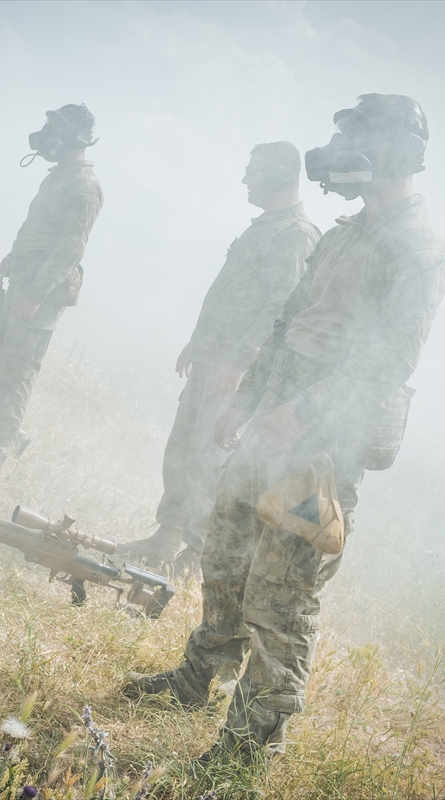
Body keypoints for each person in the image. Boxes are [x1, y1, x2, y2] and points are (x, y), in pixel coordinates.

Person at [123, 94, 445, 766]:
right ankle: (198, 678)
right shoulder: (344, 233)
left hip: (323, 452)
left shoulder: (419, 249)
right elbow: (287, 326)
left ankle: (245, 755)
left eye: (359, 138)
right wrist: (248, 401)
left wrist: (302, 412)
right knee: (225, 557)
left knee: (282, 599)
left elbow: (388, 364)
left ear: (395, 150)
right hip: (269, 429)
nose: (341, 153)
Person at [121, 143, 320, 573]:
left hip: (233, 372)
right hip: (213, 360)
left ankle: (195, 557)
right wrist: (199, 341)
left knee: (207, 462)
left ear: (281, 175)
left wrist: (239, 360)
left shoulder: (295, 235)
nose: (245, 179)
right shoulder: (266, 227)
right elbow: (233, 294)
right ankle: (165, 538)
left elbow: (280, 308)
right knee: (182, 450)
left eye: (254, 171)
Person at [0, 104, 104, 458]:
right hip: (23, 282)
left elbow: (71, 247)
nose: (48, 134)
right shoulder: (58, 176)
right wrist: (14, 258)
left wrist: (35, 294)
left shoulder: (83, 185)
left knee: (14, 374)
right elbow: (41, 229)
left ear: (77, 137)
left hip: (37, 294)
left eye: (57, 127)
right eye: (49, 125)